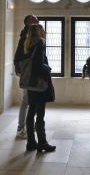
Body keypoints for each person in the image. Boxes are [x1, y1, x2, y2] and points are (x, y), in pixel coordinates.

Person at [23, 24, 56, 152]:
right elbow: (38, 65)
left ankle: (31, 142)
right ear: (38, 32)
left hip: (31, 84)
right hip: (39, 84)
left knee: (31, 112)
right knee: (40, 114)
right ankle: (42, 142)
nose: (45, 31)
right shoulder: (40, 43)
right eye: (42, 29)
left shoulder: (28, 44)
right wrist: (47, 70)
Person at [13, 15, 39, 139]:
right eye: (35, 19)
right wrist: (19, 67)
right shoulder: (26, 36)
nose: (37, 21)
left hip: (31, 71)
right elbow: (19, 55)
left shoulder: (30, 36)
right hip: (28, 72)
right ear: (28, 22)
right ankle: (22, 127)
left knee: (29, 100)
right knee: (26, 100)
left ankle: (28, 125)